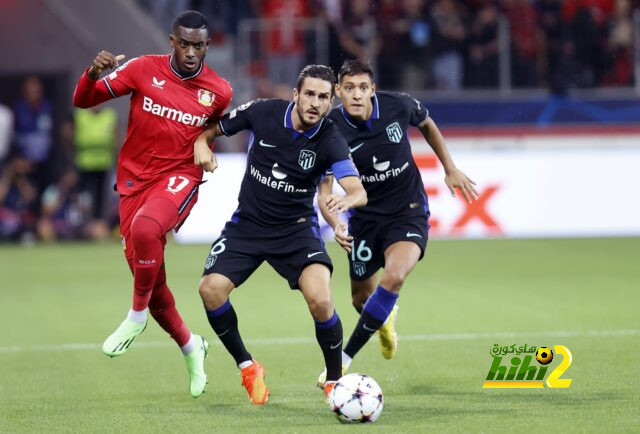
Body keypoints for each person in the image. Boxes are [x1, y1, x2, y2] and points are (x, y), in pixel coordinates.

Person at [72, 10, 232, 398]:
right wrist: (92, 74)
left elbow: (219, 124)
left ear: (207, 47)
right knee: (153, 280)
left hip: (179, 178)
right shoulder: (144, 69)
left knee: (147, 231)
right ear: (172, 42)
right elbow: (83, 101)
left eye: (199, 46)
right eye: (184, 44)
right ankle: (192, 347)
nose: (191, 52)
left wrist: (203, 141)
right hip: (133, 182)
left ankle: (135, 317)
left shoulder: (220, 91)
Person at [192, 65, 367, 404]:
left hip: (295, 230)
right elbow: (214, 129)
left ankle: (334, 382)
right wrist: (202, 141)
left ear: (331, 102)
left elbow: (357, 188)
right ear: (295, 94)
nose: (315, 103)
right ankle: (248, 367)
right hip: (248, 226)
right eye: (310, 94)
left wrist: (345, 204)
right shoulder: (263, 113)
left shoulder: (331, 139)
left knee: (321, 299)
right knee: (210, 290)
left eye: (323, 97)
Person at [316, 60, 477, 386]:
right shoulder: (330, 128)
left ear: (373, 89)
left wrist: (450, 168)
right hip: (363, 218)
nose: (357, 95)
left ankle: (342, 362)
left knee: (395, 275)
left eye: (363, 87)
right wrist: (336, 223)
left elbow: (428, 124)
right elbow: (324, 190)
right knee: (362, 299)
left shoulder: (398, 105)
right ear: (338, 92)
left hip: (408, 210)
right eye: (349, 88)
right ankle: (385, 318)